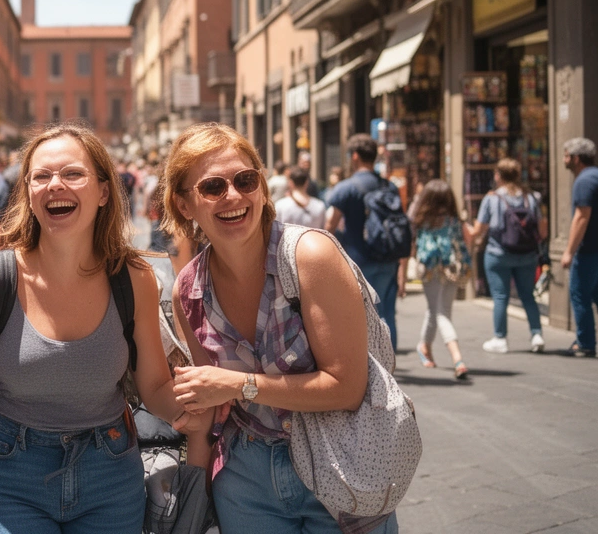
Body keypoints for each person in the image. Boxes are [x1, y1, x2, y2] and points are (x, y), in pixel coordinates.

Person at [0, 123, 201, 534]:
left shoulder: (134, 278)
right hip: (9, 474)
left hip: (110, 472)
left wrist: (196, 410)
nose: (55, 185)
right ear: (28, 193)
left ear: (103, 191)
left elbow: (154, 386)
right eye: (41, 176)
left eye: (72, 174)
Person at [165, 123, 397, 533]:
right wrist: (192, 506)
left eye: (245, 180)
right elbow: (208, 409)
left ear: (263, 187)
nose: (233, 196)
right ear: (185, 205)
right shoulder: (189, 288)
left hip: (340, 462)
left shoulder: (310, 255)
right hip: (247, 480)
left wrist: (239, 385)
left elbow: (347, 387)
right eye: (212, 187)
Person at [324, 134, 404, 349]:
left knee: (362, 315)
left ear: (355, 156)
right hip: (389, 258)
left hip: (359, 260)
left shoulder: (346, 188)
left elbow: (330, 224)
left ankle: (370, 366)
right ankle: (389, 364)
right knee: (387, 313)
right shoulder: (389, 187)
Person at [468, 158, 547, 354]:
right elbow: (543, 230)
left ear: (498, 176)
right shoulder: (532, 197)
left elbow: (479, 230)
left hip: (498, 254)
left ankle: (500, 338)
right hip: (527, 254)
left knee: (500, 296)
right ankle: (536, 334)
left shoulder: (492, 198)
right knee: (528, 295)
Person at [405, 180, 472, 379]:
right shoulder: (452, 221)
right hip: (447, 269)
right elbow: (467, 242)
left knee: (437, 311)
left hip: (433, 270)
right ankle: (457, 358)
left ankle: (424, 346)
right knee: (440, 312)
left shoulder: (421, 221)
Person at [561, 138, 598, 357]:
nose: (564, 160)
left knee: (579, 293)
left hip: (588, 249)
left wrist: (569, 251)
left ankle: (585, 342)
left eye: (566, 155)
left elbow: (581, 218)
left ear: (576, 158)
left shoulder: (584, 181)